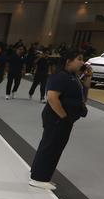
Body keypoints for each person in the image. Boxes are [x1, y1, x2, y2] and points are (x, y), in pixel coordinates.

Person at [29, 50, 92, 190]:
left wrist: (88, 77)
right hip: (57, 118)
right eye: (79, 59)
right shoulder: (60, 76)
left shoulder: (73, 77)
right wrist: (64, 117)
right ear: (68, 61)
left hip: (63, 119)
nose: (82, 62)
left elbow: (83, 94)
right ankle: (38, 178)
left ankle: (41, 174)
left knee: (55, 147)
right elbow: (52, 98)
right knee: (50, 146)